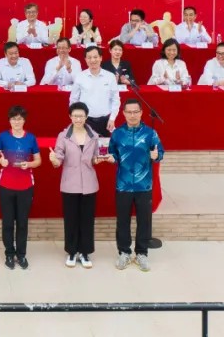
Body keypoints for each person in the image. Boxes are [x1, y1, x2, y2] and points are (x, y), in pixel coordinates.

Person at [102, 99, 163, 272]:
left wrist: (156, 156)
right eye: (129, 112)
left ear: (141, 113)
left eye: (135, 112)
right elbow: (112, 152)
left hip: (144, 185)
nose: (132, 115)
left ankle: (142, 253)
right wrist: (111, 158)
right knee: (123, 221)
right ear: (123, 113)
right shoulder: (118, 133)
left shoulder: (150, 133)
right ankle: (124, 252)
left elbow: (160, 152)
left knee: (144, 221)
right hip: (123, 185)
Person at [50, 102, 101, 270]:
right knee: (71, 219)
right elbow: (59, 157)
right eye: (75, 116)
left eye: (81, 116)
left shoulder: (94, 136)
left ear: (86, 117)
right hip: (70, 183)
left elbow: (95, 157)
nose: (78, 119)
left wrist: (98, 160)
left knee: (87, 219)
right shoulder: (63, 136)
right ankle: (72, 252)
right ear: (70, 117)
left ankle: (85, 252)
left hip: (89, 183)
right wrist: (54, 160)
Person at [0, 105, 41, 271]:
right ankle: (9, 254)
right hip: (6, 185)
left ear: (24, 120)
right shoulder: (3, 136)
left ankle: (21, 254)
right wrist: (1, 161)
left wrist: (29, 164)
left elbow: (38, 161)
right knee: (7, 222)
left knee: (22, 223)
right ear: (9, 121)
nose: (16, 122)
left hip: (26, 186)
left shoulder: (31, 138)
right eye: (13, 119)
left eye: (19, 119)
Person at [69, 47, 120, 136]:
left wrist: (112, 119)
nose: (92, 60)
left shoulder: (110, 76)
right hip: (85, 120)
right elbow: (73, 100)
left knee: (105, 144)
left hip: (105, 121)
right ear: (85, 59)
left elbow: (115, 99)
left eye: (95, 57)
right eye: (89, 57)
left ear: (101, 58)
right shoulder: (80, 76)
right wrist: (76, 118)